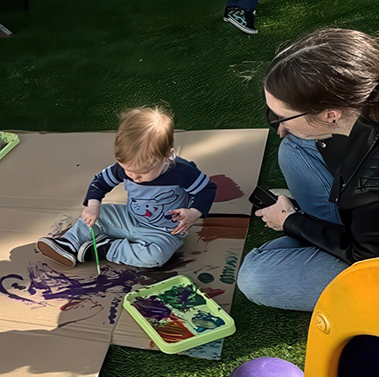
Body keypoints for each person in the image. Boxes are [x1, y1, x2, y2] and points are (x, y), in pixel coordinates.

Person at [238, 28, 379, 311]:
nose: (281, 125)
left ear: (330, 114)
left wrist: (290, 221)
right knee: (295, 146)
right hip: (365, 223)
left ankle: (316, 229)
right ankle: (324, 228)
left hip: (370, 260)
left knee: (256, 276)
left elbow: (365, 258)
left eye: (283, 116)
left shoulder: (369, 183)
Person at [37, 107, 217, 269]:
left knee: (156, 257)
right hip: (129, 218)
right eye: (128, 170)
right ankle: (69, 243)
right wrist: (93, 206)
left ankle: (104, 249)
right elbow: (100, 182)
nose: (134, 177)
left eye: (143, 172)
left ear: (167, 156)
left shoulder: (181, 171)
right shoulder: (126, 168)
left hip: (164, 231)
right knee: (100, 215)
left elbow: (206, 189)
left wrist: (194, 212)